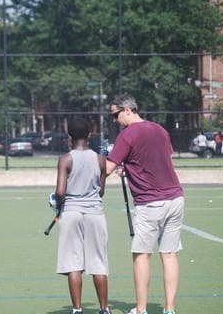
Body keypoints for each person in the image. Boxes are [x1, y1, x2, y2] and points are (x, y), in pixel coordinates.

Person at [105, 94, 184, 314]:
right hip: (176, 198)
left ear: (127, 110)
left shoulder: (127, 134)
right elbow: (155, 158)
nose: (114, 120)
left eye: (115, 114)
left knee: (141, 255)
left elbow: (108, 169)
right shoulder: (160, 129)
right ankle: (169, 309)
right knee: (169, 254)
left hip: (150, 202)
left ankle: (141, 309)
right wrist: (128, 167)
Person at [53, 117, 111, 314]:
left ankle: (77, 310)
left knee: (73, 264)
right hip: (95, 213)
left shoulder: (65, 159)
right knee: (98, 264)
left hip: (71, 212)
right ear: (90, 134)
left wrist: (56, 202)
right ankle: (104, 309)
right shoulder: (100, 159)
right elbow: (101, 191)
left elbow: (60, 192)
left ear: (69, 136)